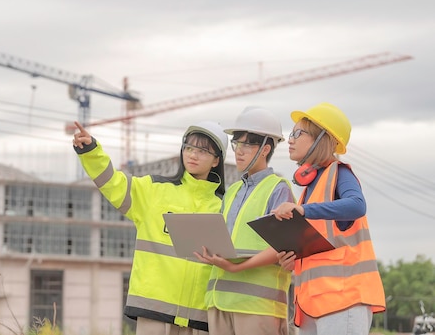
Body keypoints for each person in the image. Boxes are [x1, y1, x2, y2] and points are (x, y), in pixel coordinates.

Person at [72, 120, 229, 335]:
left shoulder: (226, 206)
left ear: (216, 160)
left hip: (202, 318)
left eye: (202, 150)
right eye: (189, 147)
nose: (192, 155)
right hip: (154, 312)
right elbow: (114, 183)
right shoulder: (153, 190)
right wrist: (91, 152)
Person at [273, 102, 386, 335]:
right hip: (312, 303)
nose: (290, 140)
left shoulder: (340, 173)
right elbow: (323, 245)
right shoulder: (310, 188)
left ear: (322, 138)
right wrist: (294, 260)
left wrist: (304, 211)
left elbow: (357, 205)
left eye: (297, 133)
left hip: (342, 299)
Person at [195, 106, 295, 335]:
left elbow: (283, 246)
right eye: (236, 144)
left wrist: (236, 268)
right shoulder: (232, 191)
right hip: (219, 301)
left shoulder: (278, 189)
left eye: (247, 145)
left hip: (258, 306)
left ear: (265, 149)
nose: (239, 151)